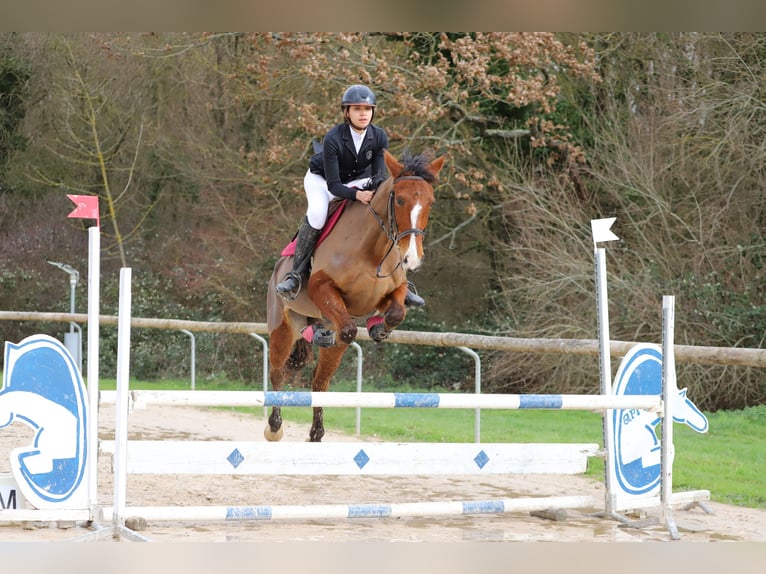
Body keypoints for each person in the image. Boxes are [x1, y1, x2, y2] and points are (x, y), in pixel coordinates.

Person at [275, 84, 425, 308]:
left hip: (358, 180)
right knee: (317, 214)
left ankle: (401, 279)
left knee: (387, 211)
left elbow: (377, 175)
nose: (363, 113)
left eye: (367, 109)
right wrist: (358, 196)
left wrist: (374, 193)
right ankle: (296, 275)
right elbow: (335, 186)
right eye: (357, 108)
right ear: (347, 112)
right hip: (323, 181)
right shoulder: (334, 138)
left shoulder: (379, 136)